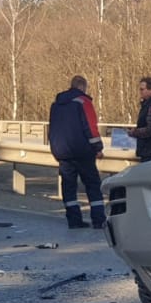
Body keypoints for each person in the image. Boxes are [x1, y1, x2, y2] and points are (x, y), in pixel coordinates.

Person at [48, 75, 106, 229]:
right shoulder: (83, 101)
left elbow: (52, 128)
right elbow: (90, 127)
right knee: (93, 185)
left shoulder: (56, 104)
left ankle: (74, 220)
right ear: (82, 87)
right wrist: (98, 148)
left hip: (63, 152)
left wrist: (55, 148)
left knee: (68, 187)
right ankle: (99, 220)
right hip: (82, 151)